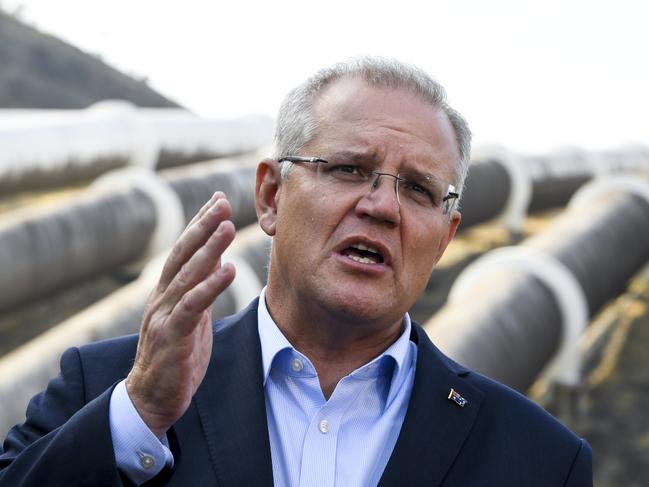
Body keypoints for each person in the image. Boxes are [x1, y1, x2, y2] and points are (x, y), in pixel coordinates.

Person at [0, 57, 592, 486]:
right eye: (349, 169)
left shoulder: (539, 458)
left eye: (417, 188)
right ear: (271, 196)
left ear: (445, 239)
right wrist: (139, 417)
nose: (382, 206)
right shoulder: (106, 388)